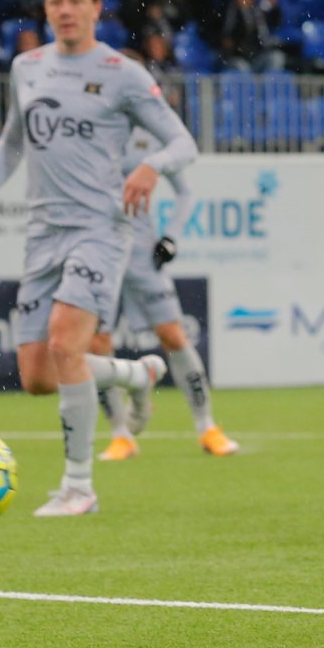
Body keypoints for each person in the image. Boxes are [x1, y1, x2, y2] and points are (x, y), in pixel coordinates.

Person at [0, 0, 198, 517]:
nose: (64, 11)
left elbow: (183, 142)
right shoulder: (26, 67)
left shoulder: (122, 73)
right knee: (39, 376)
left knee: (67, 346)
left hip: (101, 229)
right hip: (44, 232)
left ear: (96, 7)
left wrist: (152, 167)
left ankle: (78, 488)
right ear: (45, 10)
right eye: (55, 2)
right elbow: (12, 143)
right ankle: (137, 373)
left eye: (74, 1)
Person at [96, 128, 238, 461]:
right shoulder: (90, 131)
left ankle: (207, 427)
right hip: (97, 252)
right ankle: (121, 435)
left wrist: (171, 236)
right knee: (97, 342)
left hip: (142, 254)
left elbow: (185, 193)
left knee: (173, 335)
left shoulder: (150, 135)